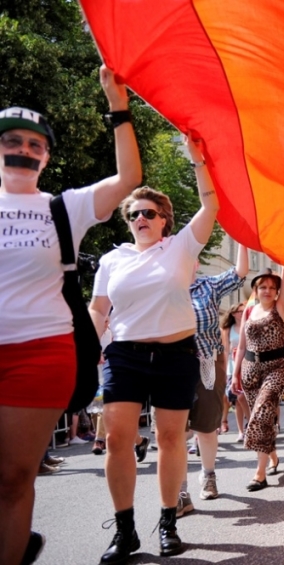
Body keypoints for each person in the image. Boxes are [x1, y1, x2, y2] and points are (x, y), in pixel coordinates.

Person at [0, 67, 141, 565]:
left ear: (46, 157)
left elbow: (129, 179)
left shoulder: (65, 207)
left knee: (15, 477)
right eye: (11, 141)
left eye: (34, 144)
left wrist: (117, 102)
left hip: (41, 354)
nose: (22, 149)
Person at [89, 135, 218, 562]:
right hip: (125, 355)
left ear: (164, 219)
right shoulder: (113, 260)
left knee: (169, 437)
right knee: (118, 440)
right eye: (133, 214)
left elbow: (210, 207)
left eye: (148, 213)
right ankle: (125, 531)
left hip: (174, 355)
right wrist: (91, 349)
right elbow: (99, 308)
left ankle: (167, 521)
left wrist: (198, 161)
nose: (140, 218)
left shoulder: (180, 247)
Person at [186, 243, 248, 502]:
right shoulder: (161, 289)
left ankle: (208, 475)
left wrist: (242, 239)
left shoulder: (208, 286)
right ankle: (178, 491)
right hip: (169, 366)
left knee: (206, 426)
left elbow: (240, 271)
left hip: (206, 364)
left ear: (196, 264)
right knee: (173, 431)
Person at [232, 267, 284, 491]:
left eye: (272, 287)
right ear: (256, 290)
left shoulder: (281, 308)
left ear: (277, 291)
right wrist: (236, 374)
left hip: (277, 367)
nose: (267, 291)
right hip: (250, 369)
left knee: (261, 412)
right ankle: (273, 457)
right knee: (263, 417)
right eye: (263, 287)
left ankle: (259, 473)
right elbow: (241, 346)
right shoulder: (249, 311)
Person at [222, 303, 251, 441]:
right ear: (233, 314)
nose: (241, 313)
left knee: (247, 397)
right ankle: (241, 431)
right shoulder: (228, 328)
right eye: (239, 311)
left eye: (243, 311)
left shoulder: (249, 325)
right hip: (233, 365)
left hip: (249, 364)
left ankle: (252, 424)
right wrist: (224, 368)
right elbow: (226, 349)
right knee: (237, 399)